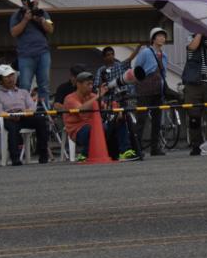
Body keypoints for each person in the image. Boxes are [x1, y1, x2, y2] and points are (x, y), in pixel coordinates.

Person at [63, 71, 136, 161]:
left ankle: (125, 151)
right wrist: (98, 95)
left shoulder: (93, 96)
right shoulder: (70, 98)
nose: (90, 87)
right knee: (96, 128)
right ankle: (84, 154)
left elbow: (106, 107)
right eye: (88, 84)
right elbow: (81, 110)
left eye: (91, 84)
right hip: (78, 131)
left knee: (119, 122)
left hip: (97, 127)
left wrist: (118, 111)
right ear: (78, 84)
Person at [0, 63, 49, 165]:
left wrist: (27, 112)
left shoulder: (24, 92)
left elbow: (32, 106)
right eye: (7, 77)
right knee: (12, 128)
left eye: (12, 75)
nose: (11, 79)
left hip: (24, 116)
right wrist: (10, 116)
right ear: (0, 80)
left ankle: (43, 154)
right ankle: (15, 158)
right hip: (9, 118)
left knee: (41, 120)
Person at [9, 0, 54, 109]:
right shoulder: (18, 15)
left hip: (43, 53)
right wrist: (25, 19)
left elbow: (50, 29)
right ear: (24, 1)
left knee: (44, 84)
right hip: (25, 55)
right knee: (25, 84)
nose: (34, 0)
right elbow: (14, 32)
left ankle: (45, 109)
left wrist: (42, 21)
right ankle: (23, 109)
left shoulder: (43, 13)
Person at [132, 27, 169, 155]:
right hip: (144, 89)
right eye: (159, 36)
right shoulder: (145, 52)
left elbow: (163, 73)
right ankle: (137, 148)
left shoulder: (164, 55)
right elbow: (136, 68)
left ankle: (155, 148)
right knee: (141, 119)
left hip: (158, 89)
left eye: (163, 36)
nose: (162, 38)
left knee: (157, 120)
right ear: (153, 39)